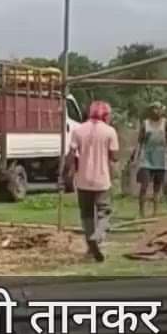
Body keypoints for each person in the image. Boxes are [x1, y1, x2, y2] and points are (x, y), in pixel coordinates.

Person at [67, 100, 119, 262]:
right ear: (106, 115)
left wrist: (68, 172)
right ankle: (98, 236)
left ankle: (91, 245)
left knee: (86, 213)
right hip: (102, 179)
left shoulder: (78, 130)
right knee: (105, 211)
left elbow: (71, 154)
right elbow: (115, 156)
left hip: (83, 179)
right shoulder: (110, 131)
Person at [136, 102, 167, 218]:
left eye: (158, 109)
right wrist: (137, 156)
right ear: (150, 111)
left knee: (157, 187)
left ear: (162, 111)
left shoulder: (166, 123)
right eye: (154, 109)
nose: (156, 111)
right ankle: (141, 212)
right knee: (144, 186)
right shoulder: (145, 124)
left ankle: (155, 212)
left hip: (160, 158)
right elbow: (140, 141)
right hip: (147, 158)